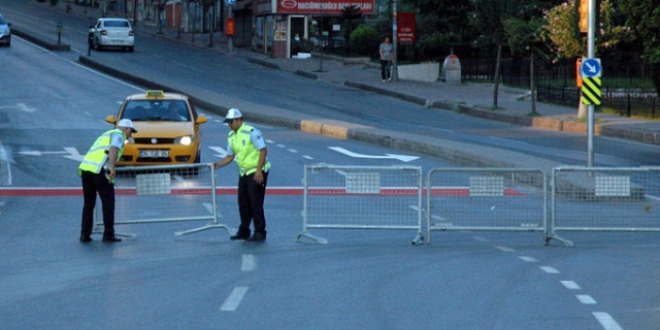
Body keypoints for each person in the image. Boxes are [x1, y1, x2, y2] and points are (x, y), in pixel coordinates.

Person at [214, 108, 271, 242]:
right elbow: (230, 156)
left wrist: (258, 171)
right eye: (228, 122)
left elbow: (263, 151)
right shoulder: (231, 136)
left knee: (255, 202)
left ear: (239, 120)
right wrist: (218, 165)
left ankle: (260, 231)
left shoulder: (251, 132)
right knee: (243, 202)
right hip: (244, 172)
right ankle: (244, 230)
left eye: (231, 122)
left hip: (257, 171)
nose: (229, 125)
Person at [78, 119, 137, 243]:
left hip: (86, 169)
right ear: (126, 129)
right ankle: (108, 234)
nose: (131, 135)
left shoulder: (107, 134)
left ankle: (84, 234)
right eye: (131, 131)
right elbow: (113, 148)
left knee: (89, 204)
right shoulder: (119, 135)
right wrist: (112, 168)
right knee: (108, 202)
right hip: (100, 170)